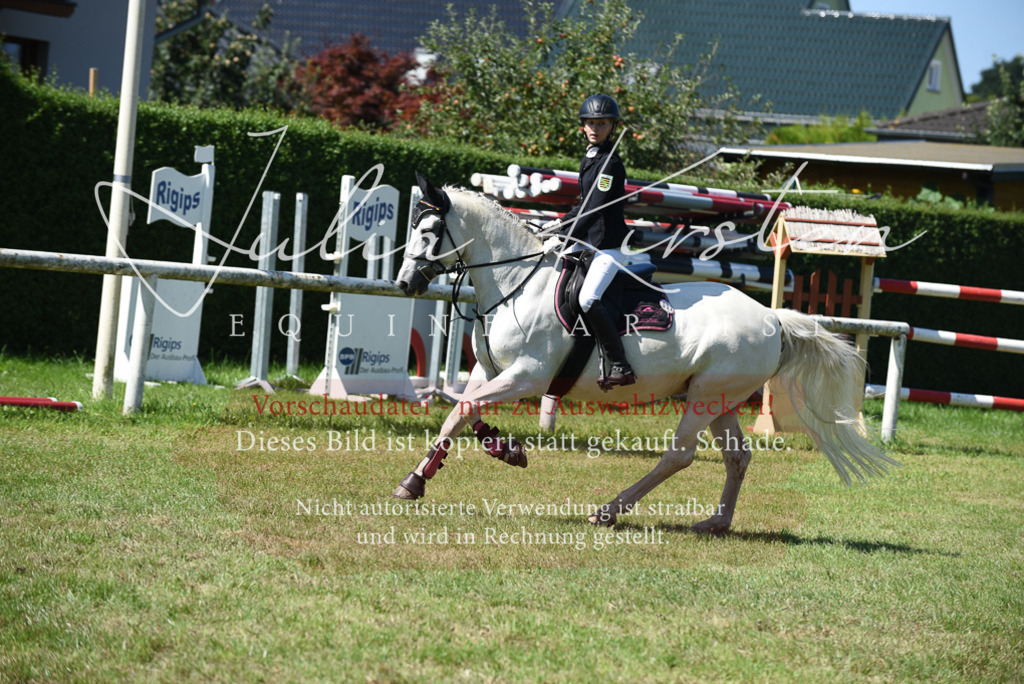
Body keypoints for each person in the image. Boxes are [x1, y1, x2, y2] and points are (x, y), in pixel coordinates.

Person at [544, 93, 637, 389]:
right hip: (587, 243)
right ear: (583, 126)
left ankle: (621, 364)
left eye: (602, 123)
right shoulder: (590, 157)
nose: (595, 128)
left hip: (608, 246)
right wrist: (556, 225)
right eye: (591, 123)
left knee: (588, 298)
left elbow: (594, 208)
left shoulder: (610, 163)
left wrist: (564, 234)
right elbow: (583, 204)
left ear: (612, 126)